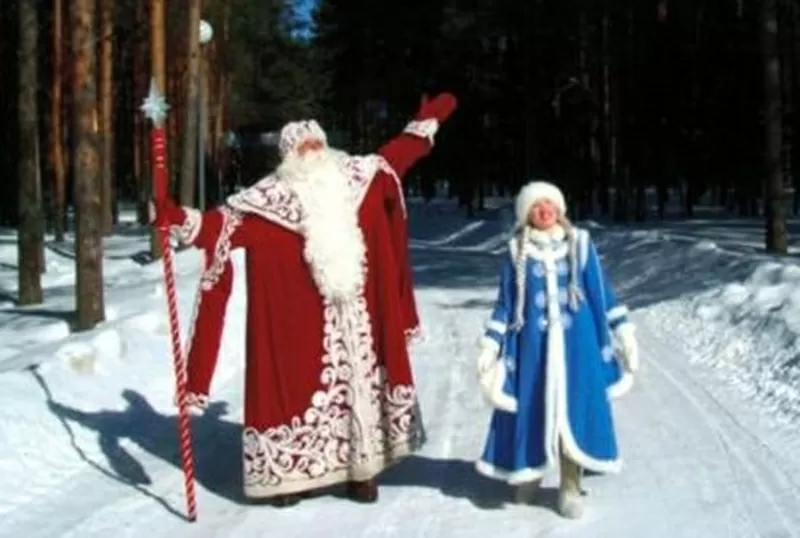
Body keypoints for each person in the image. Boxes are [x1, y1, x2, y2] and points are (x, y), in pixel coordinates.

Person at [151, 93, 458, 506]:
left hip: (360, 315)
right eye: (301, 146)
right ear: (287, 157)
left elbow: (397, 155)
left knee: (362, 391)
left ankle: (362, 473)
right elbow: (217, 228)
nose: (312, 150)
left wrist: (424, 126)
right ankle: (292, 479)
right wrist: (176, 217)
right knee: (294, 390)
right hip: (301, 323)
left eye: (316, 142)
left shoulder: (360, 176)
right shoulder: (266, 201)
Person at [474, 180, 638, 519]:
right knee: (532, 408)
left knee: (572, 411)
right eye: (536, 206)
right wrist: (490, 344)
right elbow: (505, 305)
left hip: (578, 351)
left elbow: (601, 292)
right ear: (526, 214)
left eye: (549, 204)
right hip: (531, 352)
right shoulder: (515, 251)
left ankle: (569, 484)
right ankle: (529, 472)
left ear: (560, 209)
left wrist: (623, 330)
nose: (544, 210)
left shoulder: (579, 245)